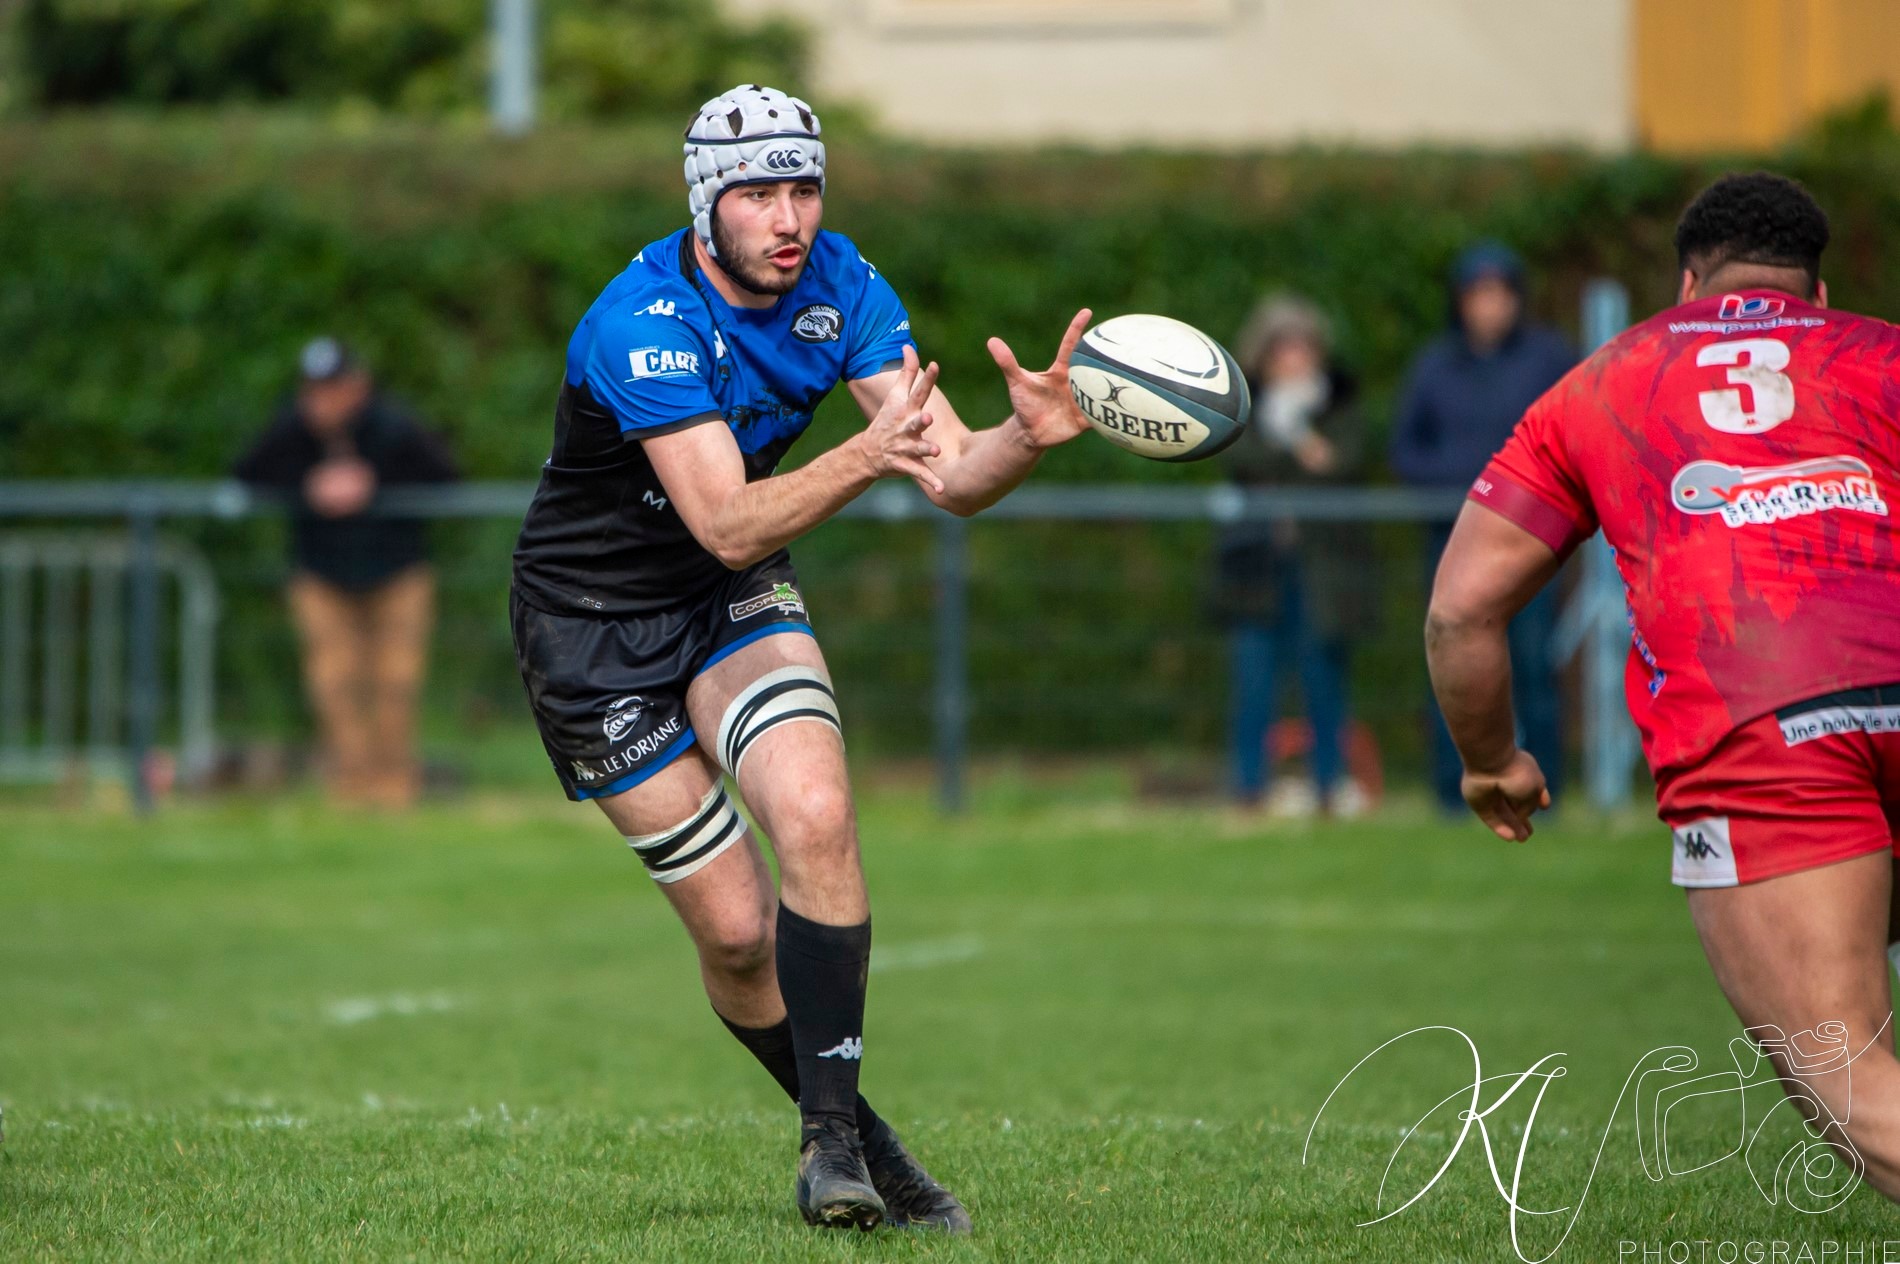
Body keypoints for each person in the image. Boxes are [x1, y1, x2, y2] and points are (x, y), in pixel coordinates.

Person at [508, 86, 1095, 1233]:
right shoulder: (642, 320)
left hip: (725, 594)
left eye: (805, 187)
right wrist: (870, 456)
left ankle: (830, 1153)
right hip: (589, 629)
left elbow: (953, 476)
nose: (790, 218)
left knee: (817, 812)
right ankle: (862, 1130)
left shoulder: (841, 280)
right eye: (760, 193)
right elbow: (727, 515)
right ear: (705, 203)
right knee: (734, 934)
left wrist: (1024, 434)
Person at [1426, 172, 1900, 1202]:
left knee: (1847, 1079)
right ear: (1816, 295)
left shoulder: (1605, 379)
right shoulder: (1881, 352)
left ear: (1685, 282)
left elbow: (1461, 609)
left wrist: (1489, 760)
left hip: (1762, 723)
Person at [233, 337, 459, 809]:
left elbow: (446, 475)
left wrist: (373, 487)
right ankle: (350, 787)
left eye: (332, 387)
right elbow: (245, 475)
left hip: (397, 571)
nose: (322, 399)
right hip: (321, 574)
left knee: (396, 678)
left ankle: (394, 787)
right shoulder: (292, 431)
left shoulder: (394, 425)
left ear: (358, 385)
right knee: (333, 679)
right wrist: (306, 487)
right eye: (313, 389)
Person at [1391, 242, 1575, 812]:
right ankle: (1454, 788)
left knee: (1533, 660)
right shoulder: (1434, 365)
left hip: (1530, 542)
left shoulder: (1549, 359)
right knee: (1451, 656)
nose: (1487, 306)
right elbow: (1404, 452)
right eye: (1476, 294)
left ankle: (1547, 788)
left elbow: (1574, 438)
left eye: (1497, 292)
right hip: (1450, 539)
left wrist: (1511, 494)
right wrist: (1474, 488)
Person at [1214, 294, 1371, 814]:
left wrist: (1289, 446)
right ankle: (1248, 786)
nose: (1293, 358)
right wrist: (1301, 452)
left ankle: (1330, 782)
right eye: (1282, 348)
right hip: (1256, 564)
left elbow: (1345, 464)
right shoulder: (1240, 406)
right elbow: (1240, 458)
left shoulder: (1341, 402)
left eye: (1302, 347)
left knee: (1323, 676)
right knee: (1253, 678)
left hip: (1323, 567)